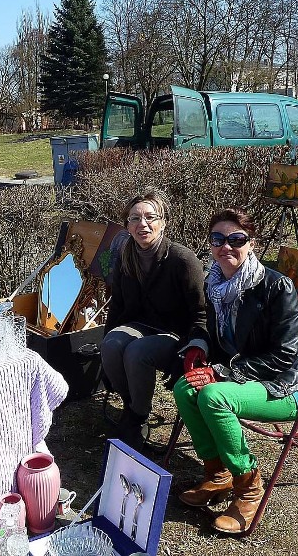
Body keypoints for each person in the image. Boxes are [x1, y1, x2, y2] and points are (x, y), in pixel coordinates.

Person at [174, 207, 298, 534]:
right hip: (244, 378)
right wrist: (199, 345)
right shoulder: (215, 283)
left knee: (213, 396)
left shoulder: (277, 288)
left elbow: (283, 356)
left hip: (285, 387)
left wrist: (221, 372)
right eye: (218, 239)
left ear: (251, 242)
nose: (227, 246)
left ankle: (248, 485)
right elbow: (211, 331)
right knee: (184, 388)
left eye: (236, 239)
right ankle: (217, 474)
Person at [100, 191, 207, 447]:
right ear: (127, 225)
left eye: (150, 217)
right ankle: (131, 405)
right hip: (140, 325)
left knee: (137, 352)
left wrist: (196, 346)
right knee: (112, 344)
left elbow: (201, 312)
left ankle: (138, 416)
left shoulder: (182, 259)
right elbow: (117, 306)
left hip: (175, 333)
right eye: (134, 218)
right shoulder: (126, 255)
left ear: (163, 222)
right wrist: (106, 353)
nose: (142, 224)